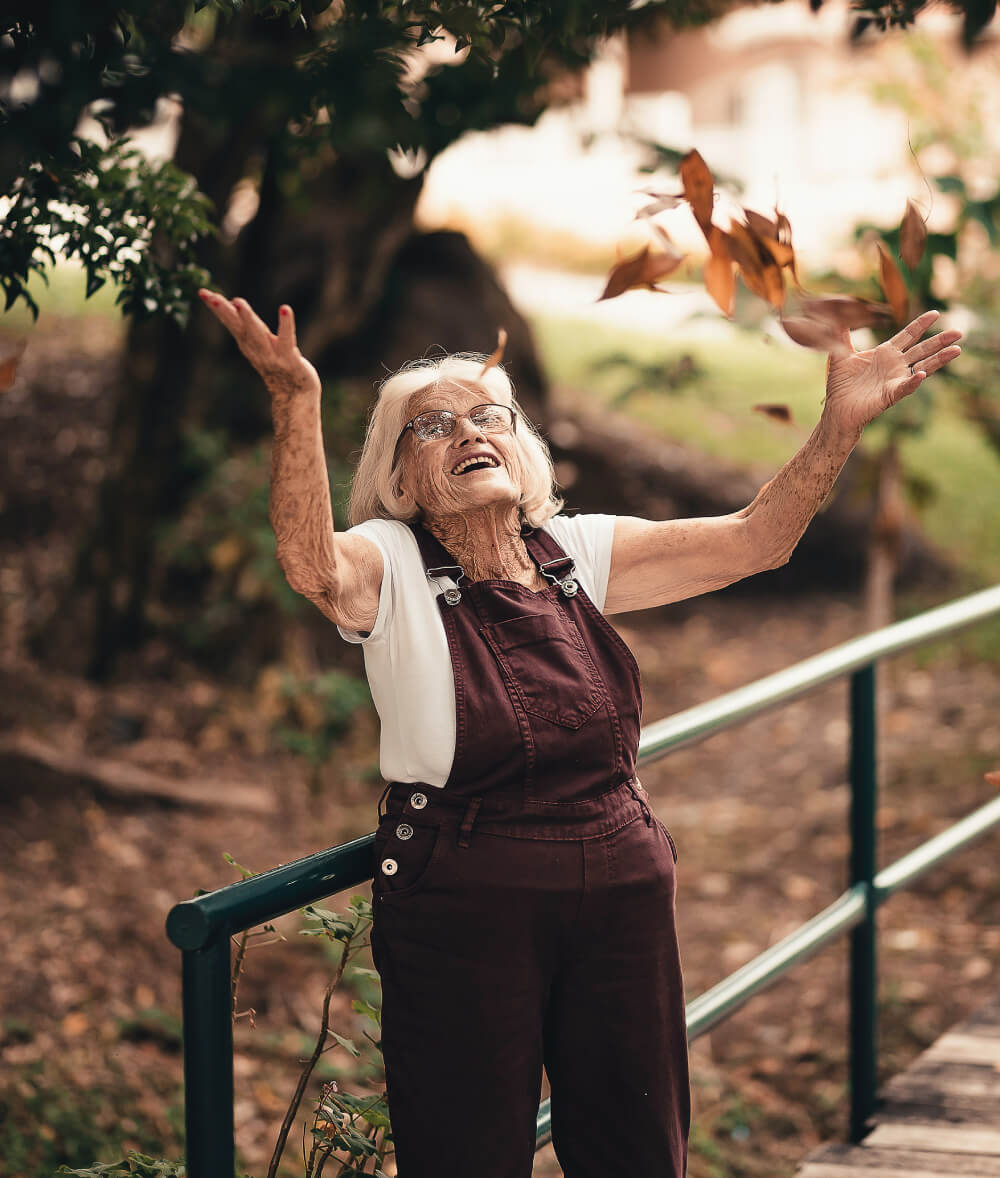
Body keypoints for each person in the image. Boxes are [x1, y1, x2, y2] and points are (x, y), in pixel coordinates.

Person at [198, 287, 960, 1178]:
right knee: (466, 1154)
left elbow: (758, 540)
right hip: (468, 899)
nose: (470, 432)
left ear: (522, 445)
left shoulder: (579, 551)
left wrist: (840, 427)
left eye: (490, 416)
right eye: (434, 426)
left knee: (638, 1152)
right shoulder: (390, 562)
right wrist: (296, 404)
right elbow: (308, 562)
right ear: (402, 479)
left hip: (622, 888)